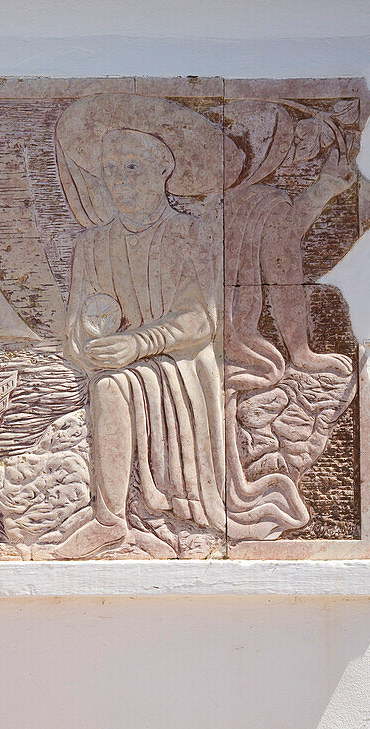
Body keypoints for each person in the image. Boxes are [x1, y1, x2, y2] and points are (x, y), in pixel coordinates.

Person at [52, 93, 237, 559]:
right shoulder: (91, 246)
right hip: (121, 359)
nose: (120, 182)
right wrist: (88, 342)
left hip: (180, 366)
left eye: (132, 168)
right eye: (110, 171)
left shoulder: (187, 234)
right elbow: (77, 324)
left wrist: (136, 343)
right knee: (106, 378)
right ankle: (110, 523)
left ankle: (112, 519)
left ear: (162, 171)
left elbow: (200, 320)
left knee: (111, 386)